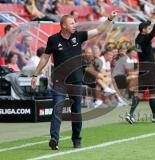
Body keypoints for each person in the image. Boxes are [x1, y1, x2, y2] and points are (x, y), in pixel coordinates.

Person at [31, 11, 118, 150]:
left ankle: (76, 139)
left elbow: (99, 29)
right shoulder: (53, 39)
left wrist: (110, 18)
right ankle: (54, 139)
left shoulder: (79, 36)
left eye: (74, 22)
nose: (74, 25)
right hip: (59, 82)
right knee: (57, 110)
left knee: (76, 112)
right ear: (63, 25)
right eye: (72, 23)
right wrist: (35, 75)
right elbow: (45, 58)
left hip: (76, 81)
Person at [125, 8, 155, 124]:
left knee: (140, 92)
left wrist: (153, 15)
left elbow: (147, 25)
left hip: (142, 67)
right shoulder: (146, 38)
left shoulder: (138, 38)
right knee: (152, 92)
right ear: (144, 30)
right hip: (150, 67)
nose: (150, 28)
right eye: (148, 28)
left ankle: (130, 114)